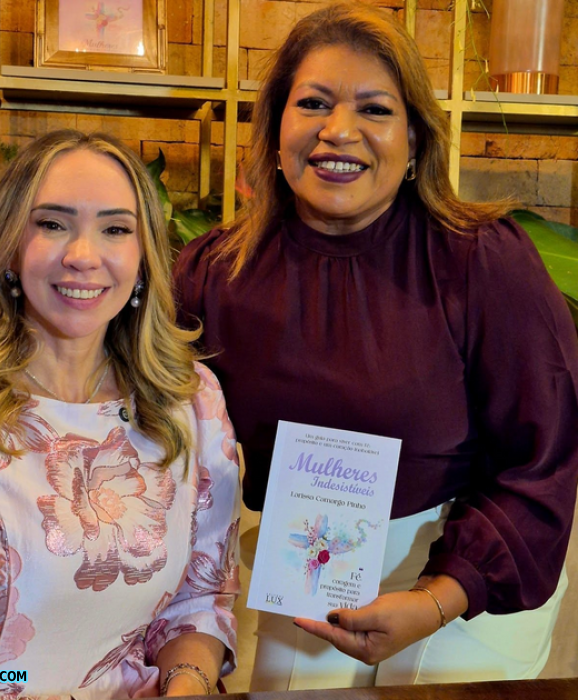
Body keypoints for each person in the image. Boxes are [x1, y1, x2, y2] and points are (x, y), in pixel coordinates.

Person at [173, 1, 578, 691]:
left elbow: (542, 460)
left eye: (375, 109)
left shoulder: (485, 262)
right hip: (303, 573)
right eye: (313, 103)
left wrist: (439, 597)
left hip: (465, 585)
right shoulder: (217, 273)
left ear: (415, 139)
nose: (339, 131)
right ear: (275, 131)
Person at [0, 130, 241, 700]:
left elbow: (200, 602)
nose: (83, 255)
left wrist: (187, 683)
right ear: (9, 246)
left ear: (143, 258)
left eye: (116, 229)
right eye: (52, 224)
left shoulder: (190, 401)